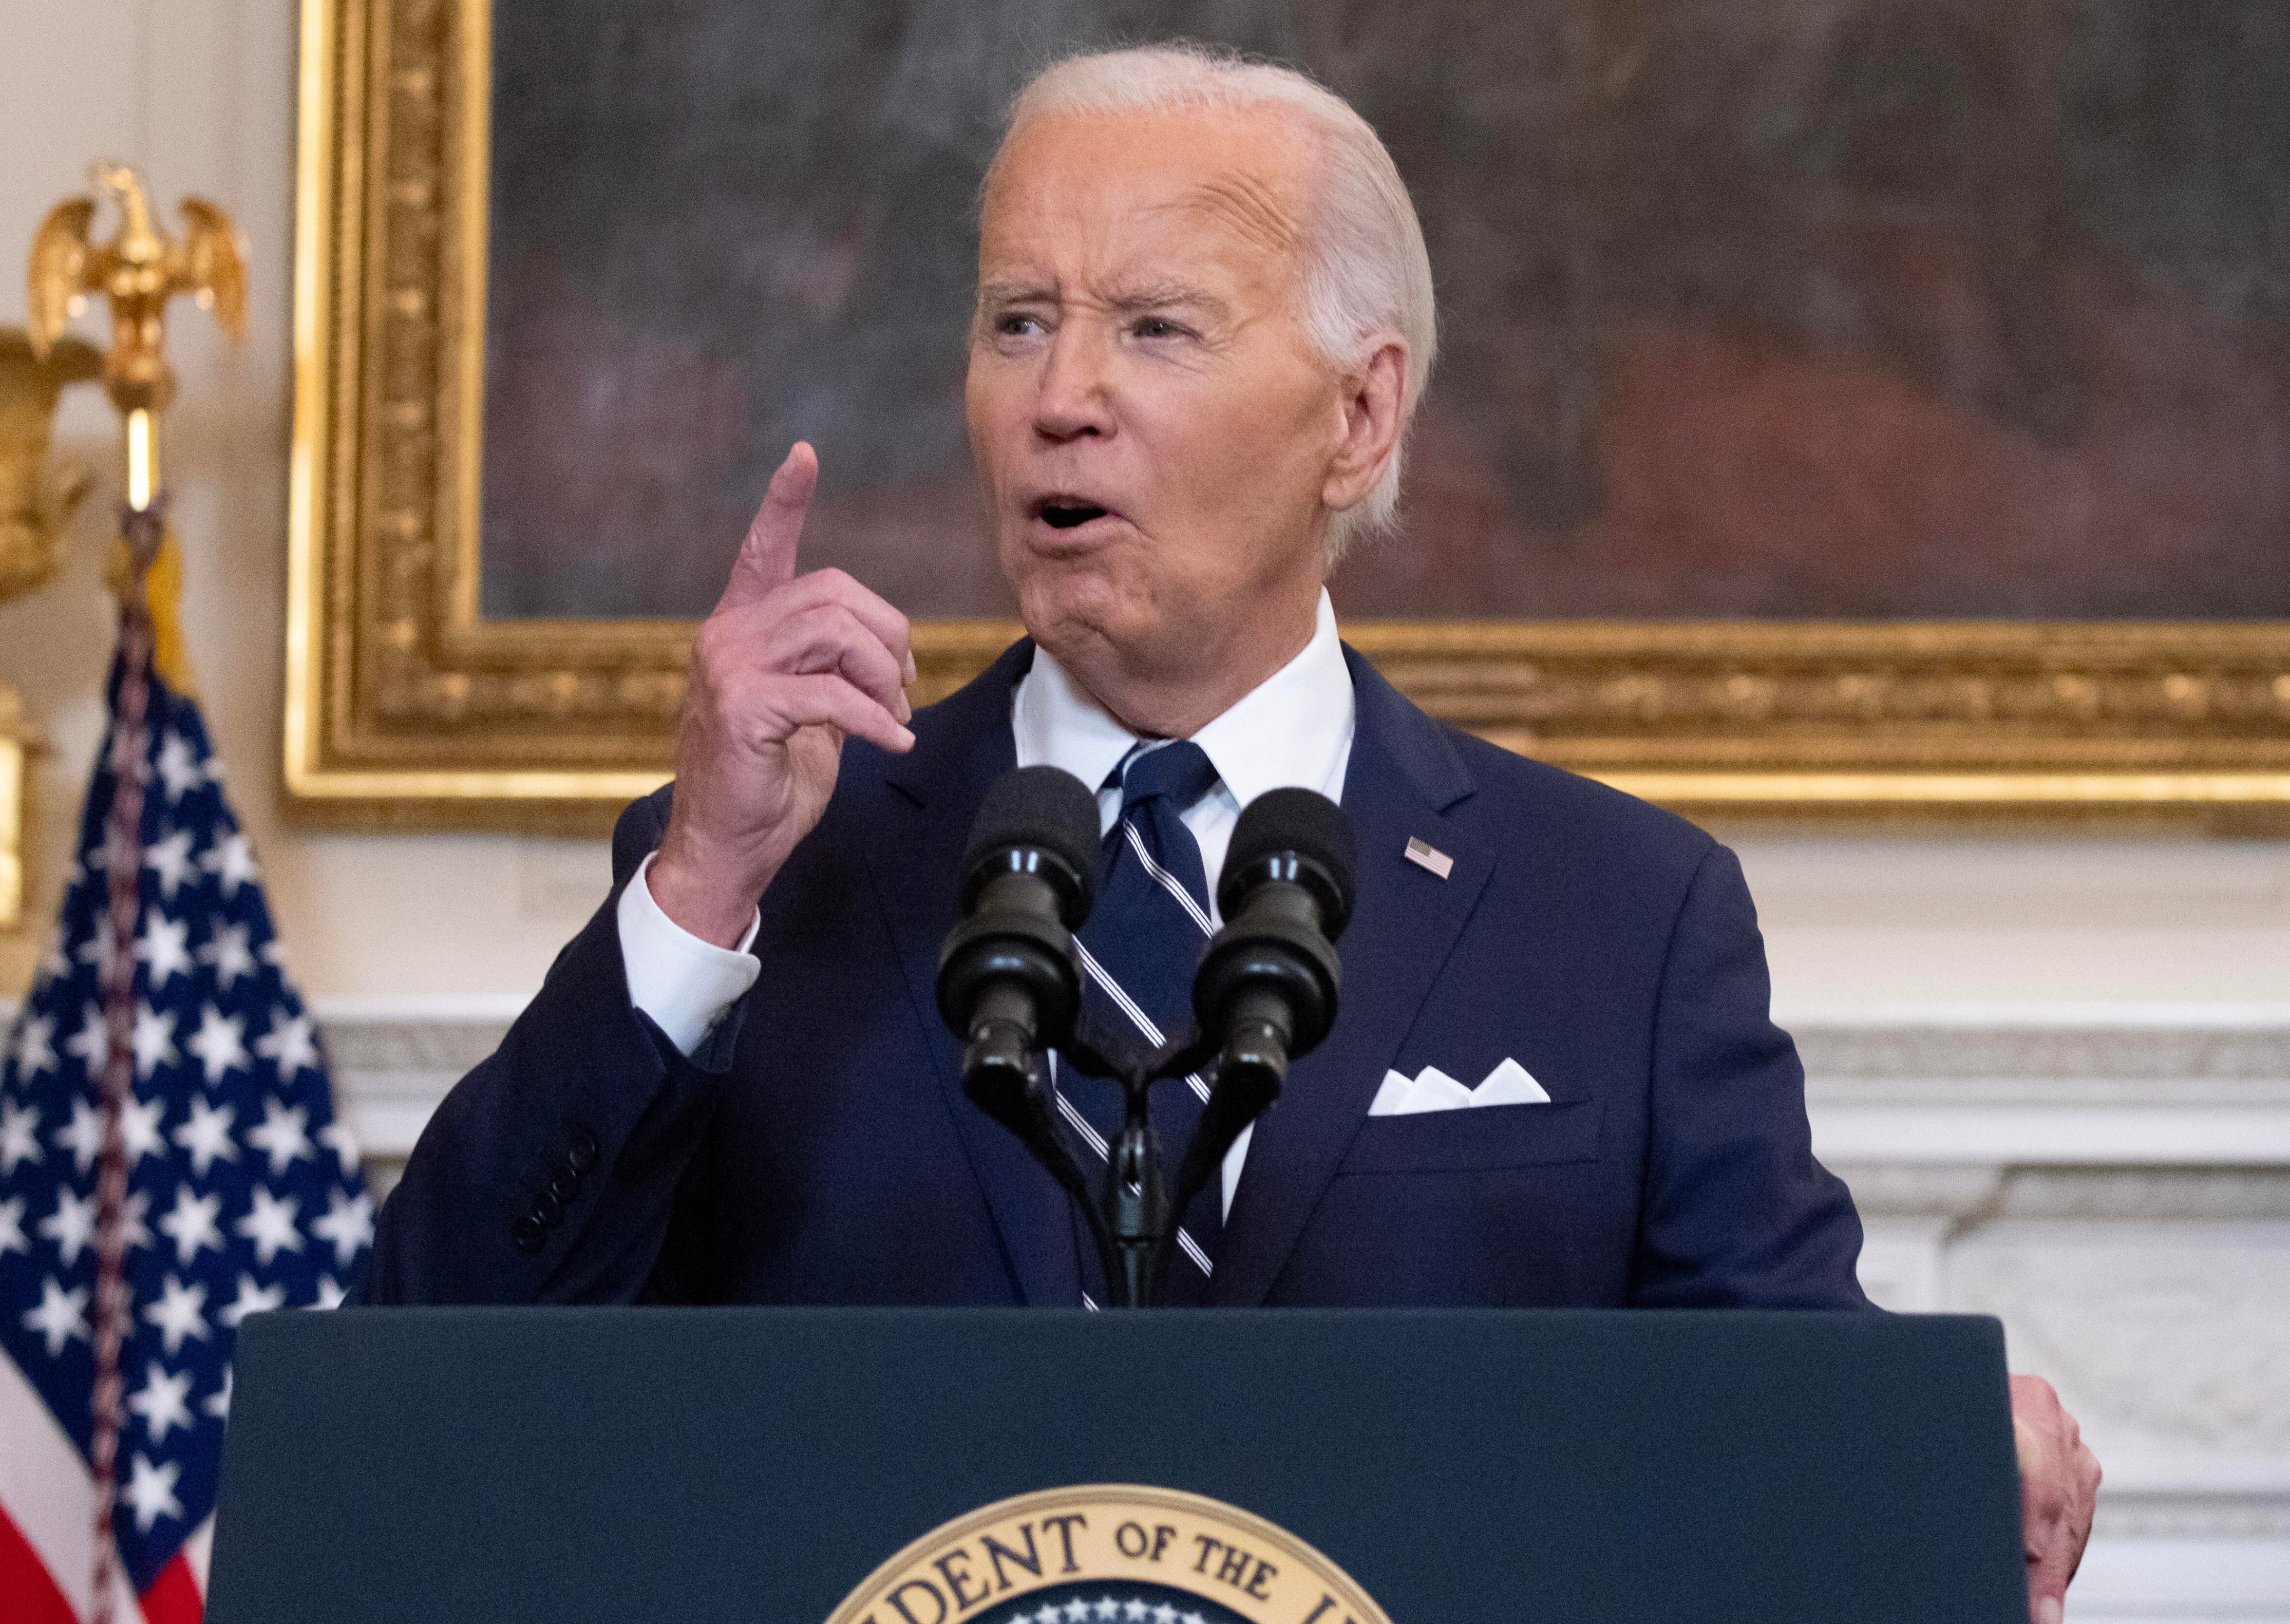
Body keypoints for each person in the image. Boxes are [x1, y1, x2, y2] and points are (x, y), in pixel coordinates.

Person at [362, 43, 2097, 1618]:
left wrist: (1940, 1461)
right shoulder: (779, 868)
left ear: (1360, 416)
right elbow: (423, 1411)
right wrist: (696, 895)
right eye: (1018, 320)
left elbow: (1791, 1442)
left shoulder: (1616, 914)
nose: (1061, 396)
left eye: (1155, 327)